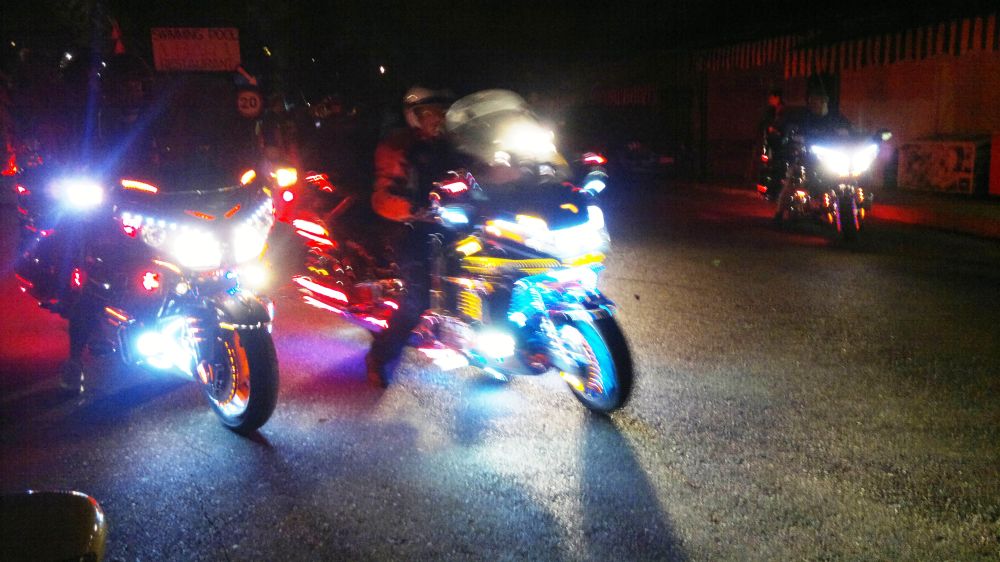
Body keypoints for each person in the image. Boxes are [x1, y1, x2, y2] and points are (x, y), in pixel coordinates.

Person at [364, 86, 466, 387]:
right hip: (410, 228)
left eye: (443, 112)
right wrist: (413, 210)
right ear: (414, 116)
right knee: (417, 297)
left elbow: (477, 173)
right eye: (431, 113)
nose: (439, 118)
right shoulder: (399, 147)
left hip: (451, 224)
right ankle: (379, 356)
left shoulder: (452, 145)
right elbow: (382, 196)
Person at [773, 85, 852, 217]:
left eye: (816, 101)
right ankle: (779, 213)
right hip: (806, 157)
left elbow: (850, 131)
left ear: (824, 101)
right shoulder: (805, 117)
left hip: (832, 157)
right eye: (811, 101)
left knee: (850, 175)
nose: (813, 104)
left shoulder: (836, 118)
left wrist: (860, 137)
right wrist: (790, 135)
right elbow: (791, 128)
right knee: (792, 179)